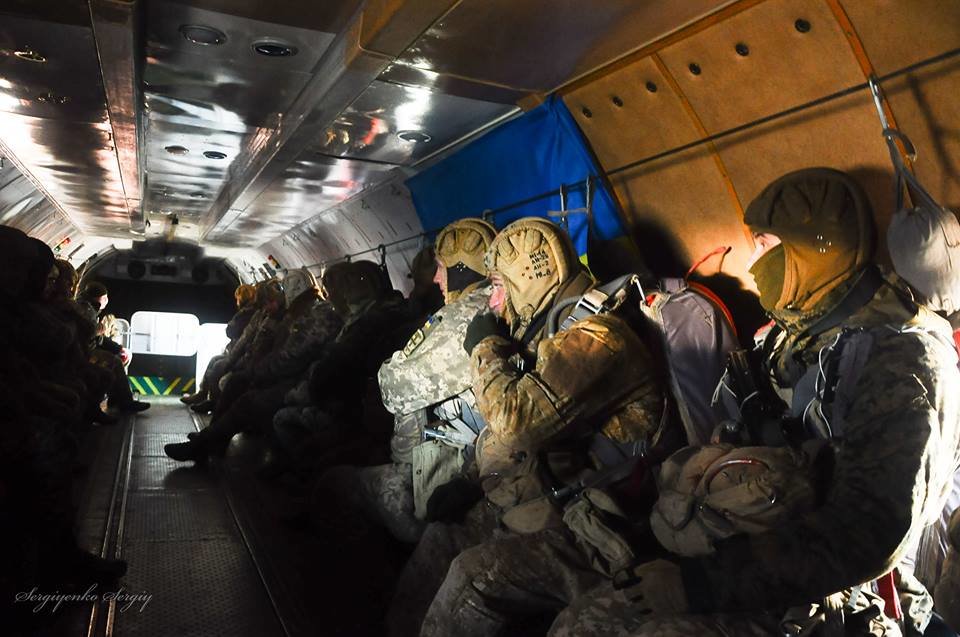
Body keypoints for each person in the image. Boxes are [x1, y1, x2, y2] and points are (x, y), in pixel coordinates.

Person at [544, 168, 960, 636]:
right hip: (756, 549)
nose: (753, 261)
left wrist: (698, 586)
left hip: (840, 593)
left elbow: (866, 535)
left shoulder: (901, 360)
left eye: (764, 245)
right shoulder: (792, 336)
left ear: (813, 251)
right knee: (579, 623)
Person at [389, 217, 671, 636]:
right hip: (541, 495)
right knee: (439, 538)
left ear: (529, 279)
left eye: (499, 286)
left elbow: (516, 425)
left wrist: (485, 348)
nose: (493, 300)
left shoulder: (598, 338)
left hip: (592, 521)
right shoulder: (548, 330)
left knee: (472, 575)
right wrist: (468, 480)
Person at [317, 218, 497, 543]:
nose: (437, 277)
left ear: (460, 269)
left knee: (336, 481)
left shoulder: (462, 315)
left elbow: (397, 389)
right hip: (466, 452)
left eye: (441, 268)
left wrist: (391, 368)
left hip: (448, 459)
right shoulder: (494, 302)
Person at [164, 268, 341, 462]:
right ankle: (209, 441)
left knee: (248, 399)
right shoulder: (307, 313)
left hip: (302, 382)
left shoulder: (319, 315)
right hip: (293, 376)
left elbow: (291, 356)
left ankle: (205, 444)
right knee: (238, 383)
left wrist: (259, 372)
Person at [182, 283, 258, 406]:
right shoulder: (249, 313)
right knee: (214, 360)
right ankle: (203, 394)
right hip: (236, 352)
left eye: (238, 298)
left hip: (242, 355)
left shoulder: (246, 314)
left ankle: (213, 402)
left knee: (218, 366)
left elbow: (230, 331)